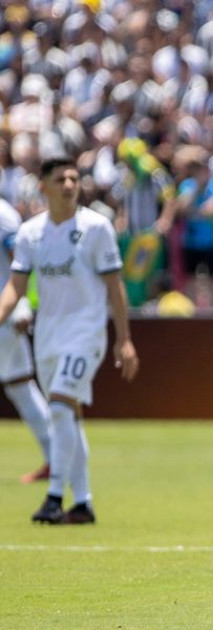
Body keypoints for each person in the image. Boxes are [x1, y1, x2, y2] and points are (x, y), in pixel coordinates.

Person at [0, 156, 139, 524]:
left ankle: (54, 496)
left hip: (85, 333)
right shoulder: (31, 233)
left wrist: (124, 340)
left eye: (74, 178)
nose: (69, 184)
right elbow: (15, 287)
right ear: (42, 186)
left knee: (60, 406)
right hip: (47, 336)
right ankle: (84, 503)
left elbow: (115, 287)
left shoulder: (97, 228)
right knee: (68, 418)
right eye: (60, 178)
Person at [0, 197, 52, 484]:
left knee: (20, 385)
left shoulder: (3, 215)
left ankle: (57, 457)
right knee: (20, 386)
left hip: (4, 314)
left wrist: (21, 307)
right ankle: (56, 457)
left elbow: (21, 264)